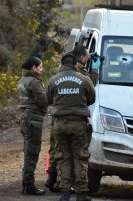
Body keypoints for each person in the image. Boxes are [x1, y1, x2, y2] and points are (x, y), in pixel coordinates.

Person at [45, 45, 98, 193]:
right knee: (76, 155)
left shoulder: (56, 76)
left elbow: (48, 98)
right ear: (79, 59)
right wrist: (95, 69)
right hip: (75, 119)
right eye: (87, 56)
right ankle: (69, 185)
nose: (88, 58)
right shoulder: (81, 74)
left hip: (59, 118)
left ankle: (55, 180)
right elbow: (90, 91)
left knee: (58, 150)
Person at [17, 56, 48, 195]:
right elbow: (43, 101)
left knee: (28, 152)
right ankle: (29, 186)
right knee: (32, 153)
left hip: (24, 117)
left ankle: (26, 184)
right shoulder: (35, 82)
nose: (41, 69)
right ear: (34, 67)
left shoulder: (23, 80)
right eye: (40, 66)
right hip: (34, 119)